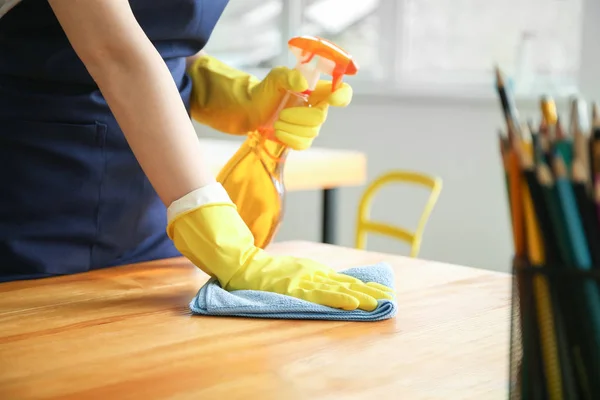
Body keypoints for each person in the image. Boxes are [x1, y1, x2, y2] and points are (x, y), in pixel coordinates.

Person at [0, 0, 393, 311]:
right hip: (32, 206)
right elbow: (113, 53)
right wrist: (224, 242)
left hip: (149, 226)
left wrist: (238, 96)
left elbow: (166, 44)